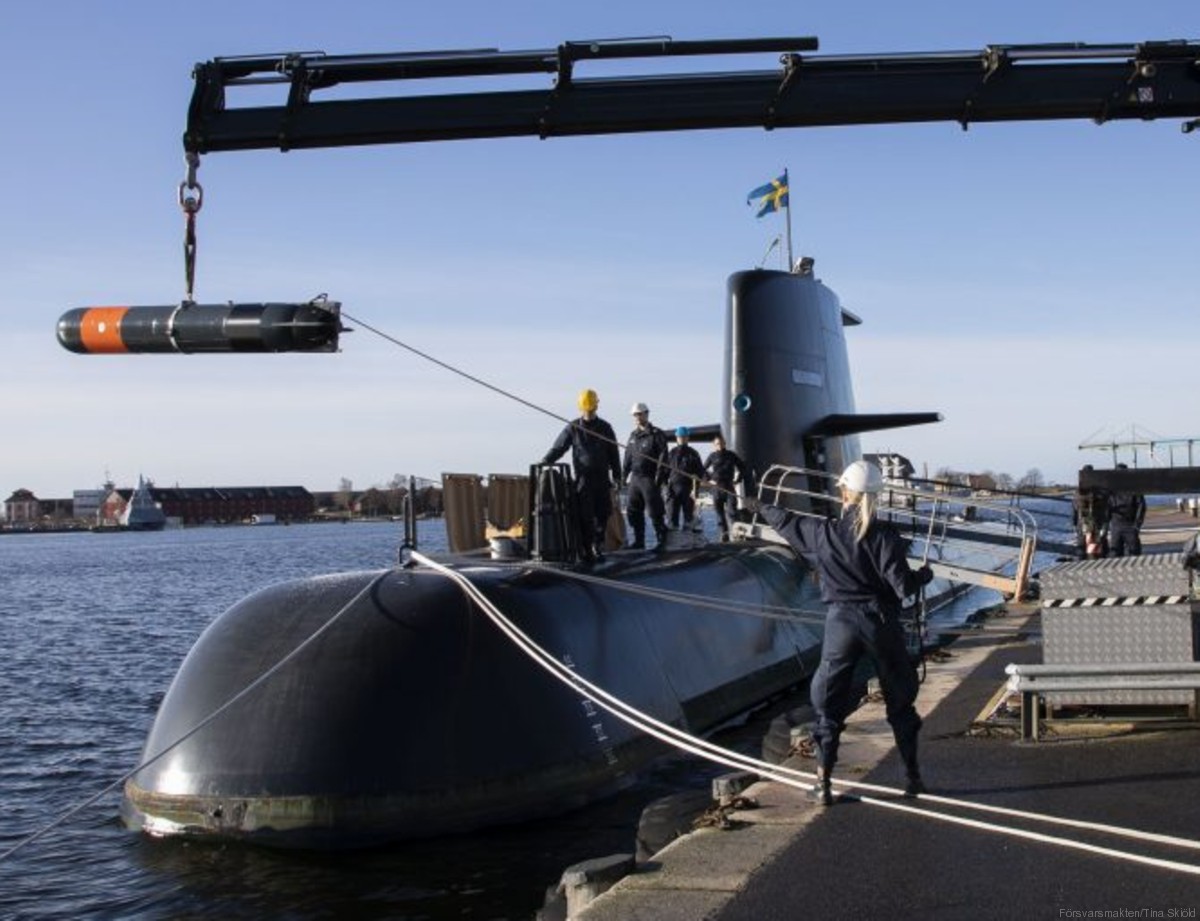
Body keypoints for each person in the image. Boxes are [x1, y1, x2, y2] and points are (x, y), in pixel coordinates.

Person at [744, 459, 933, 806]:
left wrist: (758, 505)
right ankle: (913, 777)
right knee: (900, 703)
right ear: (876, 495)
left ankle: (824, 784)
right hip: (880, 623)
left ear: (845, 492)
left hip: (841, 624)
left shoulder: (824, 532)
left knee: (828, 706)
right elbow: (903, 586)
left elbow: (786, 522)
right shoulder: (885, 536)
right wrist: (924, 577)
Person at [542, 388, 622, 561]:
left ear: (596, 408)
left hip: (601, 478)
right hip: (583, 479)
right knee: (585, 515)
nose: (590, 412)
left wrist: (617, 475)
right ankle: (587, 547)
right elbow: (559, 447)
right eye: (588, 409)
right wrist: (546, 460)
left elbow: (613, 453)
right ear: (582, 408)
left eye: (591, 409)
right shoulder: (573, 428)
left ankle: (598, 544)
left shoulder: (605, 428)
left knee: (603, 513)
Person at [622, 402, 669, 549]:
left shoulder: (657, 434)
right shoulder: (633, 436)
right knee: (633, 510)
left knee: (655, 510)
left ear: (646, 414)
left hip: (650, 478)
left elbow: (663, 456)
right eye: (635, 415)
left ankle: (662, 540)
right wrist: (624, 475)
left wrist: (659, 477)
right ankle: (639, 541)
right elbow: (628, 457)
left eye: (639, 414)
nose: (636, 417)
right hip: (635, 479)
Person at [703, 434, 748, 541]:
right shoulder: (712, 456)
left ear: (725, 443)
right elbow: (702, 469)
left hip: (728, 486)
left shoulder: (731, 455)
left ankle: (737, 534)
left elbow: (742, 467)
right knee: (719, 514)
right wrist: (709, 479)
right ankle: (724, 534)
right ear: (714, 445)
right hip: (716, 488)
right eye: (717, 444)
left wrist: (738, 479)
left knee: (732, 512)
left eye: (721, 443)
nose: (720, 445)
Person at [664, 427, 706, 531]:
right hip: (673, 488)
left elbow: (700, 471)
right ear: (676, 438)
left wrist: (697, 482)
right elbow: (664, 471)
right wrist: (665, 486)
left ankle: (688, 538)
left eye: (684, 437)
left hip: (688, 488)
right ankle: (673, 538)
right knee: (672, 515)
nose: (682, 439)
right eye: (680, 437)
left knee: (689, 517)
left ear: (688, 438)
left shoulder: (693, 454)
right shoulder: (671, 453)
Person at [1108, 463, 1146, 558]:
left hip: (1130, 525)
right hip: (1116, 525)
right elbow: (1107, 506)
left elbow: (1141, 506)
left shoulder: (1134, 488)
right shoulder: (1111, 490)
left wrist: (1137, 525)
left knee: (1134, 553)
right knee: (1115, 554)